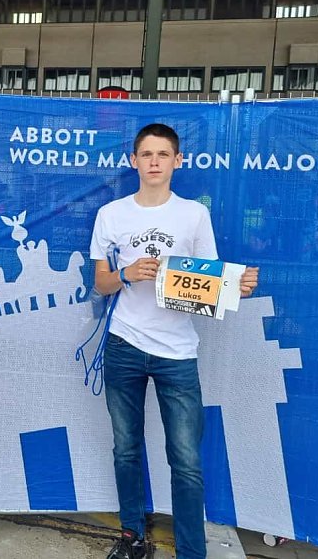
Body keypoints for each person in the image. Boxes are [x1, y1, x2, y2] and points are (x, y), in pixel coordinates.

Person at [89, 123, 258, 559]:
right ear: (133, 161)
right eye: (146, 155)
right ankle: (132, 538)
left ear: (178, 161)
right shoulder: (112, 214)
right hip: (124, 345)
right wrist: (126, 273)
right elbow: (100, 284)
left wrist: (235, 286)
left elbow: (209, 280)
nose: (154, 163)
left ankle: (191, 551)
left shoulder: (193, 215)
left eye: (163, 155)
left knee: (185, 460)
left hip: (177, 351)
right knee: (125, 448)